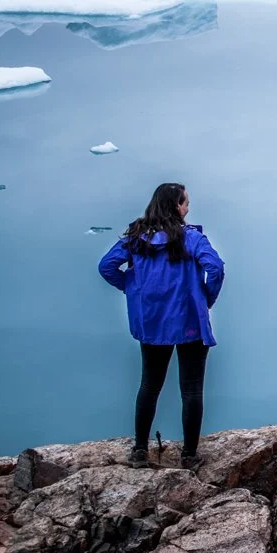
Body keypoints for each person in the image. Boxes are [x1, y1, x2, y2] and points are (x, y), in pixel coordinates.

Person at [98, 183, 225, 470]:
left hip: (153, 323)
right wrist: (207, 299)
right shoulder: (190, 238)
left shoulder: (137, 239)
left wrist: (132, 289)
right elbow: (215, 268)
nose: (188, 208)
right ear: (176, 207)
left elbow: (107, 267)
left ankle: (140, 451)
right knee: (191, 390)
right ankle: (189, 456)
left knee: (150, 385)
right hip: (190, 322)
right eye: (185, 203)